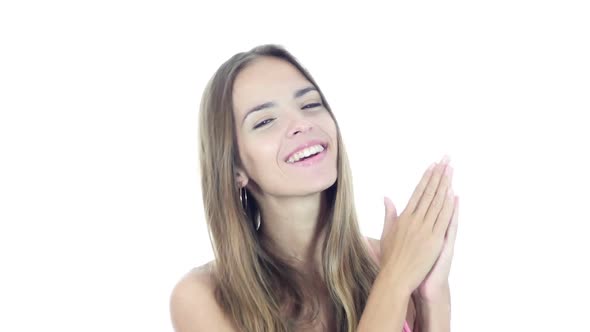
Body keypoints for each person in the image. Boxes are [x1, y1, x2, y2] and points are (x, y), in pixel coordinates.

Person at [169, 44, 459, 332]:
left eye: (309, 105)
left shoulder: (389, 258)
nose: (302, 123)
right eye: (265, 121)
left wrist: (432, 299)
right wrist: (394, 281)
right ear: (235, 170)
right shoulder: (201, 297)